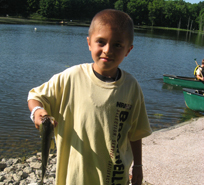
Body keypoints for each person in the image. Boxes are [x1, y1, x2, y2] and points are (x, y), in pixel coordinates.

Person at [27, 9, 152, 185]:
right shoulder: (70, 78)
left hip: (114, 177)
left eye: (117, 45)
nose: (107, 50)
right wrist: (38, 112)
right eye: (101, 42)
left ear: (128, 50)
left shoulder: (131, 87)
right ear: (89, 43)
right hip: (74, 178)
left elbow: (135, 132)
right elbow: (35, 96)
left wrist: (138, 166)